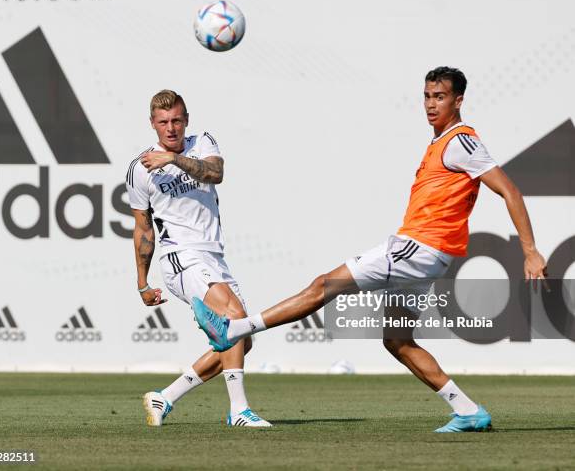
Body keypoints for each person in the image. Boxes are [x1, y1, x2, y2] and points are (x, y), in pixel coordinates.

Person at [190, 67, 548, 432]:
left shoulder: (461, 141)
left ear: (458, 101)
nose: (430, 104)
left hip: (418, 247)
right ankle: (468, 410)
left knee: (324, 285)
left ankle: (234, 330)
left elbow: (509, 190)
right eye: (427, 96)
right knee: (397, 341)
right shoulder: (440, 142)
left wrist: (530, 251)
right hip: (427, 253)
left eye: (439, 97)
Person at [126, 89, 270, 427]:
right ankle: (239, 411)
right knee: (234, 317)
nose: (171, 128)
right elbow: (143, 228)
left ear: (186, 120)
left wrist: (174, 160)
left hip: (213, 255)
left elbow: (215, 173)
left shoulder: (202, 142)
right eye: (163, 122)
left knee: (241, 341)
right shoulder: (140, 168)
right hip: (180, 256)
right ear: (152, 124)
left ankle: (165, 397)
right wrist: (142, 282)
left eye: (176, 120)